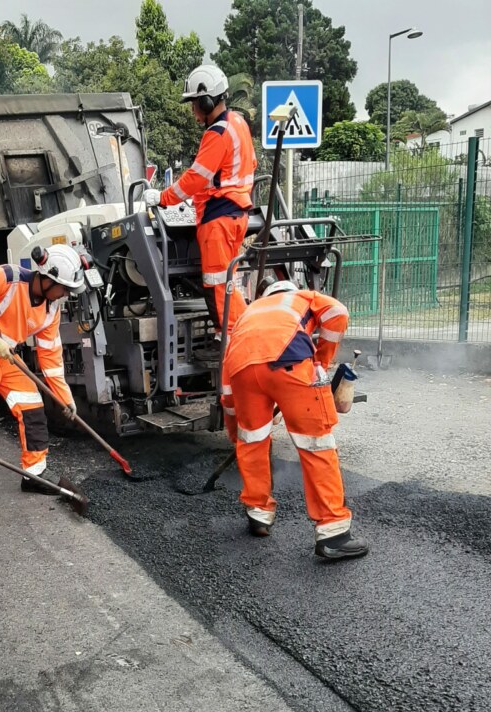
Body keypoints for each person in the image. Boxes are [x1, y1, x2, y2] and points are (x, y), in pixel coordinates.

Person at [223, 279, 369, 561]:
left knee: (251, 441)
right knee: (316, 443)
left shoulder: (246, 317)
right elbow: (337, 312)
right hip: (290, 360)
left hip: (241, 370)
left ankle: (259, 514)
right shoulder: (302, 297)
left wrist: (235, 431)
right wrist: (322, 363)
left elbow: (227, 395)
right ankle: (334, 534)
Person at [0, 244, 87, 507]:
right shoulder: (6, 277)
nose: (66, 295)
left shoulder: (51, 309)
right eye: (65, 288)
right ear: (47, 278)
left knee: (33, 408)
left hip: (6, 355)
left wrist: (64, 397)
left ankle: (34, 475)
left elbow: (50, 356)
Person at [144, 63, 257, 359]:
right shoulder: (239, 124)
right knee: (229, 281)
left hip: (218, 217)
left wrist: (162, 198)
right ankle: (235, 334)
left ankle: (232, 345)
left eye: (195, 104)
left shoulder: (216, 133)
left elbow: (195, 178)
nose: (194, 112)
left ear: (207, 101)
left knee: (217, 284)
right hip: (238, 213)